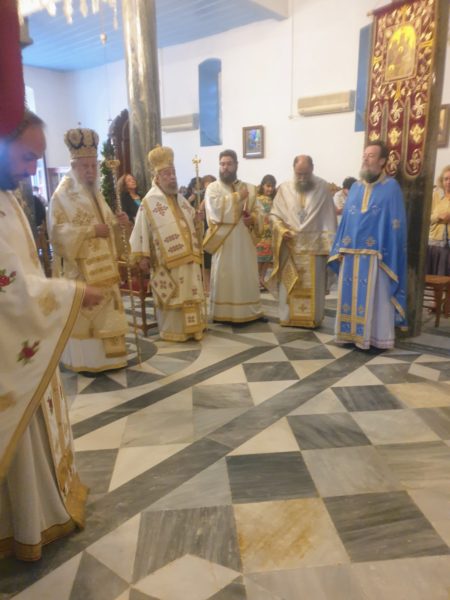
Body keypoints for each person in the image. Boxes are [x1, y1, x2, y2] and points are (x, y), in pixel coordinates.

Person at [0, 109, 104, 560]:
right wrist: (71, 293)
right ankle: (25, 525)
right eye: (27, 157)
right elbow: (10, 287)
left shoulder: (8, 197)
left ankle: (39, 512)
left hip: (20, 335)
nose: (31, 170)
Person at [48, 128, 129, 374]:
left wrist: (119, 224)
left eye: (93, 165)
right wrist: (91, 231)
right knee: (86, 316)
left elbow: (108, 226)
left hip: (105, 268)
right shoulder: (62, 195)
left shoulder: (95, 192)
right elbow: (56, 234)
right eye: (85, 166)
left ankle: (111, 358)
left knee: (108, 311)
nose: (91, 171)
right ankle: (88, 361)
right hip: (80, 271)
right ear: (73, 166)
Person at [328, 140, 408, 349]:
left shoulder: (391, 187)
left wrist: (389, 250)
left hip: (378, 255)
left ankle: (374, 339)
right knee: (349, 296)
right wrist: (339, 247)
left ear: (382, 161)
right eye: (364, 155)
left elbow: (396, 224)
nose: (365, 159)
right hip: (350, 252)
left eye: (371, 156)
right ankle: (348, 335)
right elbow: (346, 220)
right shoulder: (355, 187)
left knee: (377, 298)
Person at [129, 145, 206, 341]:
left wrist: (197, 219)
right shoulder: (149, 201)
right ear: (157, 177)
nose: (172, 177)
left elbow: (192, 222)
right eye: (167, 174)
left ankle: (194, 329)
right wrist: (143, 255)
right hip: (166, 262)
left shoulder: (180, 199)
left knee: (190, 291)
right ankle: (174, 331)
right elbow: (140, 231)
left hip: (189, 259)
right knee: (173, 294)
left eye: (173, 173)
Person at [268, 155, 337, 328]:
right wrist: (282, 230)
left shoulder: (323, 187)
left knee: (313, 286)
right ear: (293, 169)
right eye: (299, 174)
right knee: (290, 286)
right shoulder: (284, 188)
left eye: (306, 174)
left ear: (312, 169)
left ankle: (312, 318)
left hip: (315, 249)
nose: (302, 178)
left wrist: (330, 245)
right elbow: (274, 215)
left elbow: (329, 219)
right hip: (290, 247)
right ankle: (288, 317)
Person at [204, 149, 263, 323]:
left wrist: (253, 219)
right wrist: (237, 197)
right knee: (224, 274)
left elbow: (260, 212)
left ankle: (249, 311)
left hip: (244, 241)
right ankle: (222, 313)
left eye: (229, 164)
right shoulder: (213, 188)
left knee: (245, 273)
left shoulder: (250, 188)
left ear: (236, 165)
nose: (225, 167)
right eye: (222, 164)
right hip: (224, 242)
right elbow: (215, 212)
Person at [426, 165, 450, 276]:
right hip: (434, 244)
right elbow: (426, 219)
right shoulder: (435, 195)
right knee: (431, 278)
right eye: (446, 179)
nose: (448, 182)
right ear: (442, 181)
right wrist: (439, 217)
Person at [255, 174, 277, 290]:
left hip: (271, 233)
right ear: (262, 186)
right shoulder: (257, 199)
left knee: (268, 258)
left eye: (272, 186)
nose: (270, 189)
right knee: (259, 258)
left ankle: (262, 279)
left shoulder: (275, 200)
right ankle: (256, 279)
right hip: (260, 232)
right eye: (268, 186)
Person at [198, 174, 216, 294]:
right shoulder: (202, 200)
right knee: (206, 262)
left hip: (216, 232)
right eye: (206, 187)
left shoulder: (218, 198)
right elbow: (199, 215)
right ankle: (206, 286)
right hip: (205, 232)